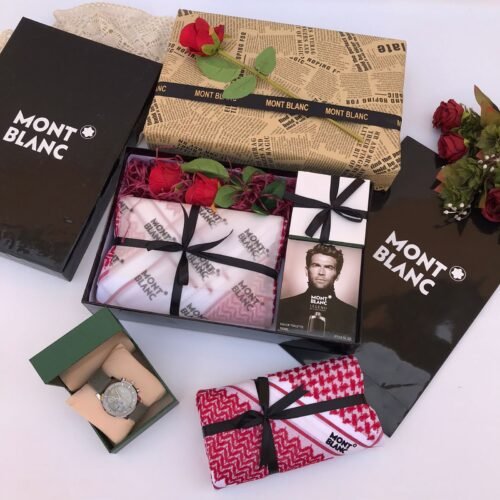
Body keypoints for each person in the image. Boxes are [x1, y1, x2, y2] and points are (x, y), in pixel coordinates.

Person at [278, 243, 357, 337]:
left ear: (337, 275)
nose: (321, 272)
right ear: (306, 271)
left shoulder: (351, 314)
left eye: (329, 267)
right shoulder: (283, 306)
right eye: (316, 265)